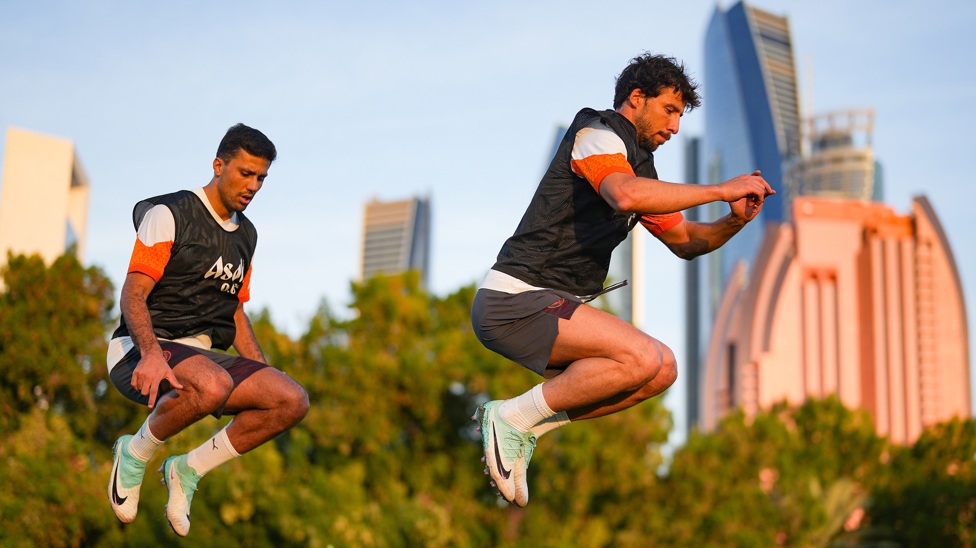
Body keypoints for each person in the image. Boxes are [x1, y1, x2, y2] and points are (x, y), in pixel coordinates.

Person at [471, 53, 774, 507]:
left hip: (549, 306)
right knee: (639, 356)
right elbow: (623, 194)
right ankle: (511, 418)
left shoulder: (640, 171)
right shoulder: (595, 134)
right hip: (516, 297)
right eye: (669, 110)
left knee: (661, 369)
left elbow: (688, 241)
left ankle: (524, 424)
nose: (674, 128)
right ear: (637, 98)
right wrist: (720, 188)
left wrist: (735, 221)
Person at [106, 123, 309, 536]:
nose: (253, 185)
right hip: (140, 348)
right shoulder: (171, 213)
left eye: (261, 177)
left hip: (202, 357)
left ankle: (186, 470)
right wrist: (148, 353)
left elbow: (234, 312)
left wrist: (262, 372)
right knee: (212, 383)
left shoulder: (247, 236)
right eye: (245, 173)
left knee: (291, 400)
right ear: (219, 165)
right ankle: (134, 453)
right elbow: (132, 293)